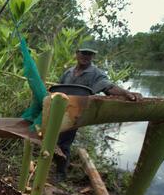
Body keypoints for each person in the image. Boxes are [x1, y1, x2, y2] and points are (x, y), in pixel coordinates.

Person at [54, 44, 142, 181]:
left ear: (93, 56)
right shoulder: (69, 72)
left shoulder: (95, 73)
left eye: (89, 54)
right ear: (77, 54)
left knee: (64, 143)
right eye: (83, 53)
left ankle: (61, 173)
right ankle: (56, 166)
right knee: (54, 139)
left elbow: (108, 87)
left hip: (76, 114)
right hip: (61, 111)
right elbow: (59, 89)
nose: (86, 56)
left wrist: (126, 93)